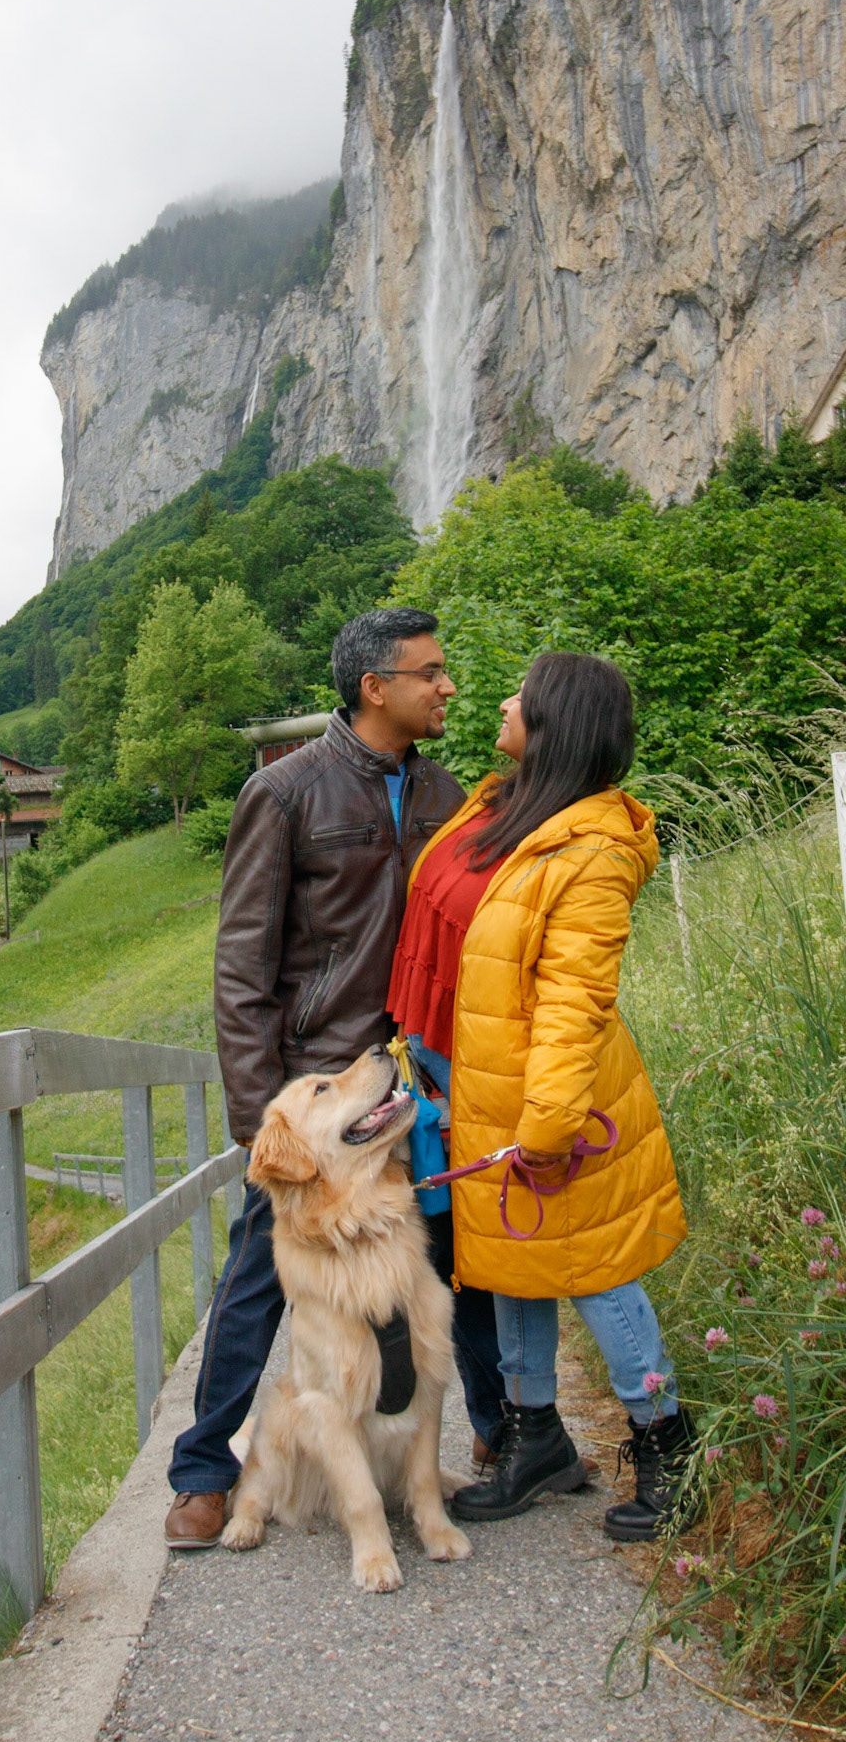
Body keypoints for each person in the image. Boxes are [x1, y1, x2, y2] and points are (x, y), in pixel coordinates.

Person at [164, 607, 506, 1549]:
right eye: (430, 673)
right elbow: (242, 964)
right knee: (259, 1274)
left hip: (416, 1071)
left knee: (453, 1249)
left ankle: (502, 1429)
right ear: (375, 687)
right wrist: (258, 1120)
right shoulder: (284, 793)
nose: (447, 686)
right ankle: (203, 1472)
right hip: (320, 1085)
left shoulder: (445, 793)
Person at [389, 652, 694, 1540]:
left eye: (521, 695)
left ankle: (670, 1450)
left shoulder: (593, 850)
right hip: (470, 1077)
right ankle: (537, 1441)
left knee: (598, 1273)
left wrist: (551, 1122)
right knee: (507, 1260)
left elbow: (574, 1000)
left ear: (557, 723)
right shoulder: (503, 806)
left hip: (549, 1095)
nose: (502, 700)